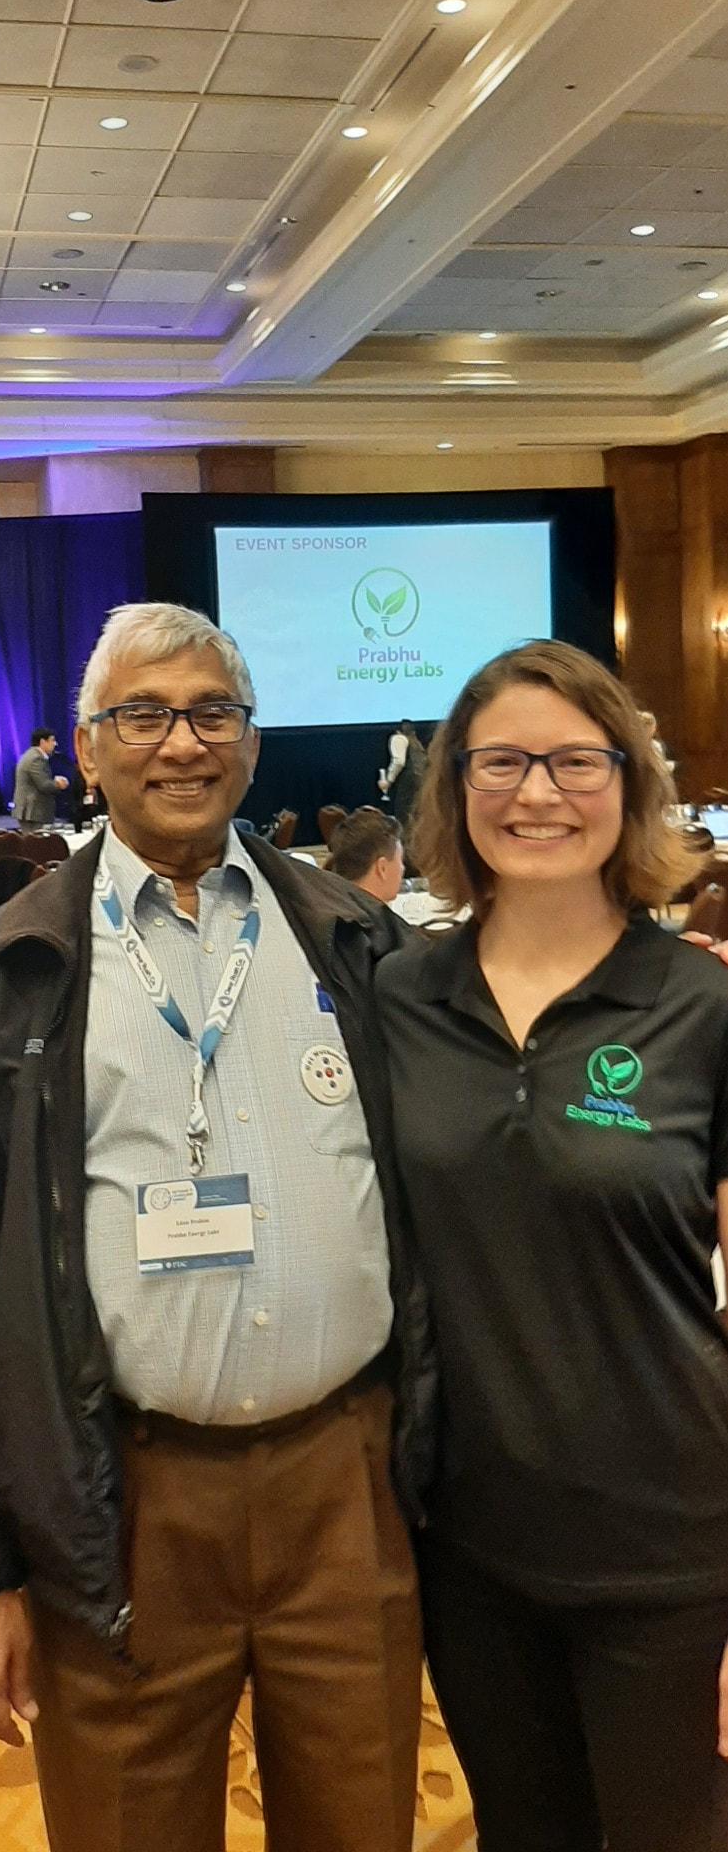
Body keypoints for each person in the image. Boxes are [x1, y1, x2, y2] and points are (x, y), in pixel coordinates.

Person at [0, 601, 427, 1852]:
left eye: (210, 711)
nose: (180, 742)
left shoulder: (351, 937)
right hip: (116, 1500)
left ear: (249, 740)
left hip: (344, 1485)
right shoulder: (23, 957)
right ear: (90, 746)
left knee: (363, 1825)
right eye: (143, 713)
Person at [375, 639, 728, 1852]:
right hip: (471, 1549)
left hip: (673, 1550)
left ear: (630, 783)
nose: (538, 792)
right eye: (503, 761)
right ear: (454, 789)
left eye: (577, 760)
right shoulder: (398, 999)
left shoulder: (703, 1006)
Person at [328, 806, 405, 905]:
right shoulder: (375, 919)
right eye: (400, 860)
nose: (402, 869)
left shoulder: (332, 907)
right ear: (382, 868)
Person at [12, 727, 69, 828]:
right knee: (35, 843)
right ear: (42, 741)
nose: (55, 744)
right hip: (33, 812)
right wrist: (59, 784)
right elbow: (44, 785)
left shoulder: (30, 755)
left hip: (31, 811)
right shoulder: (36, 758)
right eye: (52, 740)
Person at [378, 718, 427, 833]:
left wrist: (388, 780)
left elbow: (399, 761)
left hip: (408, 782)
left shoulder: (398, 738)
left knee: (404, 819)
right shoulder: (416, 744)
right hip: (421, 781)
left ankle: (406, 849)